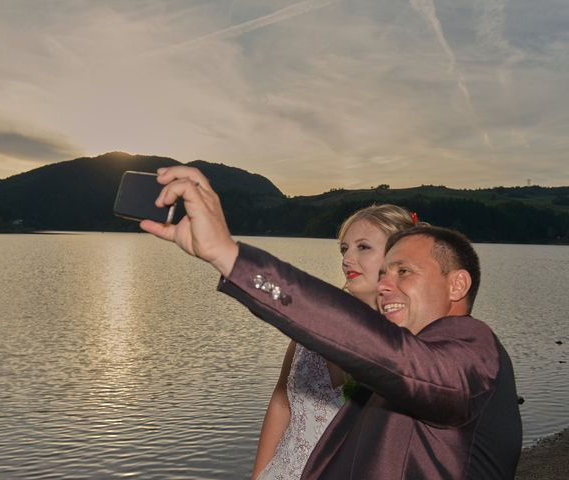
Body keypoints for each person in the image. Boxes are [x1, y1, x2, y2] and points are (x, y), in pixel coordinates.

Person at [141, 166, 522, 479]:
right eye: (384, 273)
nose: (385, 285)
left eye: (403, 271)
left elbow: (384, 353)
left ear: (457, 284)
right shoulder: (393, 367)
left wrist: (229, 255)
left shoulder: (473, 351)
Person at [253, 205, 418, 479]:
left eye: (363, 247)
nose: (347, 259)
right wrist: (259, 474)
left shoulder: (408, 343)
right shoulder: (313, 325)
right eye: (344, 249)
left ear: (398, 257)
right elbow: (282, 401)